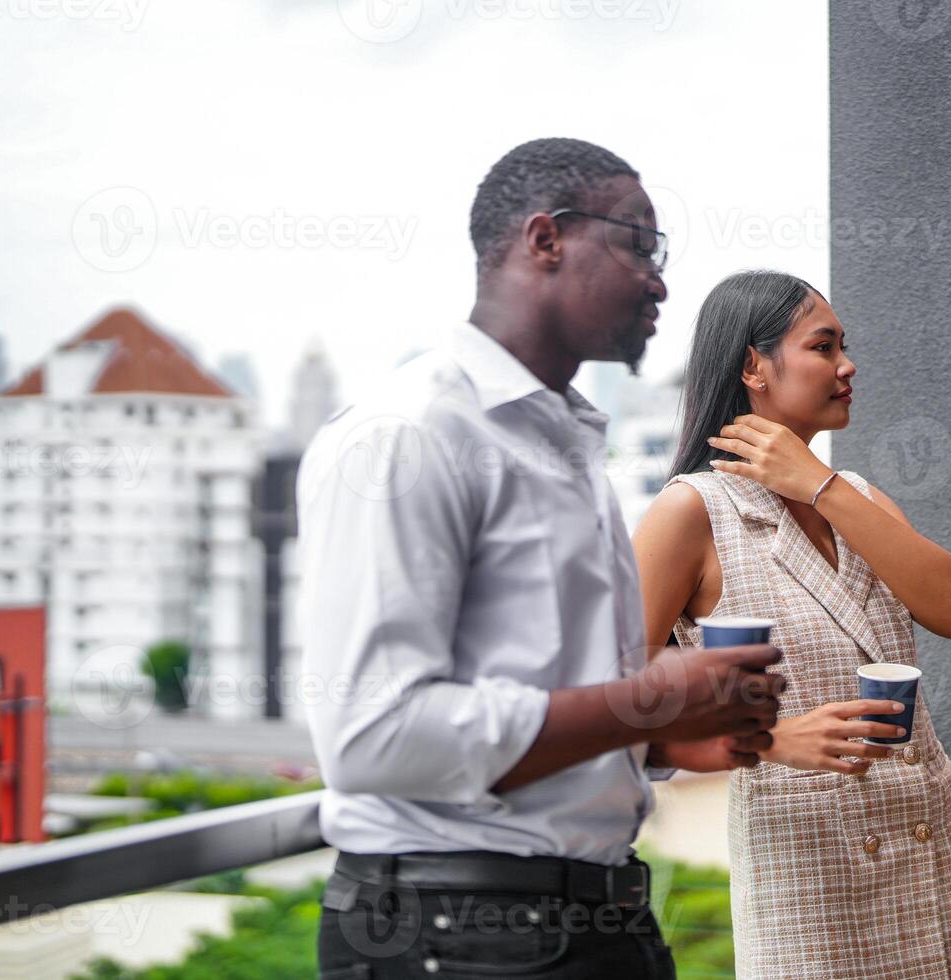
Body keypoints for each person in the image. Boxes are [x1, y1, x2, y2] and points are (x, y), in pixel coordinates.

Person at [300, 138, 786, 980]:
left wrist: (665, 738)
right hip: (453, 937)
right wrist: (644, 703)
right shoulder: (408, 437)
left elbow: (540, 698)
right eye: (639, 244)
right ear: (545, 239)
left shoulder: (561, 439)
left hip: (589, 918)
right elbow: (372, 736)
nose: (661, 281)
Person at [633, 270, 951, 978]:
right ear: (752, 367)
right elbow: (618, 692)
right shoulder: (692, 512)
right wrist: (767, 737)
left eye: (844, 345)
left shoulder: (854, 496)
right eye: (823, 347)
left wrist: (817, 483)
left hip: (931, 860)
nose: (847, 365)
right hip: (812, 878)